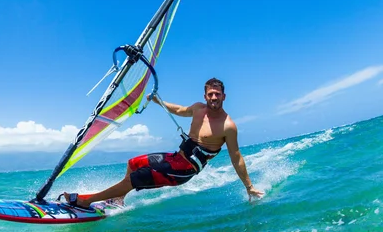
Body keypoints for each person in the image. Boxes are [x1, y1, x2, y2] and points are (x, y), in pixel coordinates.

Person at [62, 78, 264, 209]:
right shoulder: (198, 108)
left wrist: (249, 186)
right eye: (210, 94)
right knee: (134, 163)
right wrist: (160, 102)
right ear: (205, 96)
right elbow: (179, 110)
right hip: (176, 158)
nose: (213, 97)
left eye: (217, 94)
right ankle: (118, 199)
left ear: (224, 96)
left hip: (184, 170)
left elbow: (236, 157)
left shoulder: (228, 126)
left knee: (136, 178)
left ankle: (86, 200)